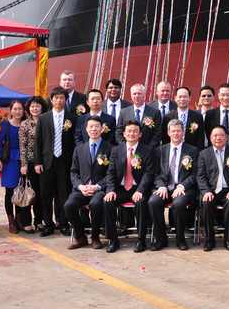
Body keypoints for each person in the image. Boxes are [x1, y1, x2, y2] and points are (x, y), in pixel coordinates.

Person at [103, 120, 157, 253]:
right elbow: (110, 172)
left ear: (140, 134)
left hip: (138, 187)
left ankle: (141, 240)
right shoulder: (116, 150)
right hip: (121, 188)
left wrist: (140, 190)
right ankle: (113, 240)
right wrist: (110, 190)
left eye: (135, 131)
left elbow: (149, 173)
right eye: (129, 131)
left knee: (141, 202)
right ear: (124, 134)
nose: (132, 134)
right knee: (107, 201)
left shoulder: (148, 150)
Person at [148, 120, 199, 250]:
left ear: (183, 132)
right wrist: (161, 186)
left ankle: (180, 239)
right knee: (153, 202)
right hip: (164, 187)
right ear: (168, 133)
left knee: (179, 204)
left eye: (178, 131)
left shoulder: (192, 150)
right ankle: (161, 239)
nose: (176, 133)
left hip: (184, 188)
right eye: (173, 131)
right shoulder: (160, 150)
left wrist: (182, 186)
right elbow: (155, 173)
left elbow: (195, 174)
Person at [64, 115, 112, 250]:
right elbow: (73, 172)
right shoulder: (79, 149)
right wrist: (80, 186)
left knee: (95, 204)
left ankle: (95, 237)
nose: (94, 129)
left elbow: (111, 174)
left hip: (100, 189)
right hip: (82, 189)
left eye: (97, 127)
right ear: (86, 129)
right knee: (69, 205)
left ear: (102, 129)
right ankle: (80, 237)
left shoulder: (110, 148)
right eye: (91, 127)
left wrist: (97, 186)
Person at [34, 86, 76, 237]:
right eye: (56, 98)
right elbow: (38, 142)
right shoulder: (43, 118)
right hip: (47, 162)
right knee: (46, 195)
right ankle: (48, 225)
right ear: (51, 100)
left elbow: (75, 142)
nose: (59, 100)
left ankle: (63, 223)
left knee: (63, 194)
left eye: (62, 98)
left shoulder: (72, 118)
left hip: (65, 162)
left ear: (65, 100)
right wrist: (38, 162)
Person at [197, 126, 229, 251]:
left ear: (226, 137)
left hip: (228, 189)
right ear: (210, 138)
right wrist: (206, 191)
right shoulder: (203, 154)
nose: (218, 138)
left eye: (221, 135)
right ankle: (209, 239)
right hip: (211, 190)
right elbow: (200, 176)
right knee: (206, 202)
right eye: (215, 135)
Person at [0, 100, 26, 234]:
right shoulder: (5, 125)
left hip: (23, 161)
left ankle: (19, 219)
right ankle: (11, 221)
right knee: (10, 192)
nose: (18, 111)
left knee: (21, 191)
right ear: (11, 110)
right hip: (9, 161)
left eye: (20, 109)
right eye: (15, 109)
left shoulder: (26, 124)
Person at [18, 96, 48, 233]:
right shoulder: (25, 124)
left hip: (43, 162)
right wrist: (24, 164)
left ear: (42, 107)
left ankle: (39, 221)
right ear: (28, 108)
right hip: (29, 163)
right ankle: (26, 222)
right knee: (29, 192)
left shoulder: (46, 122)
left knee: (41, 193)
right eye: (32, 106)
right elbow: (22, 146)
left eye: (37, 106)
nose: (35, 108)